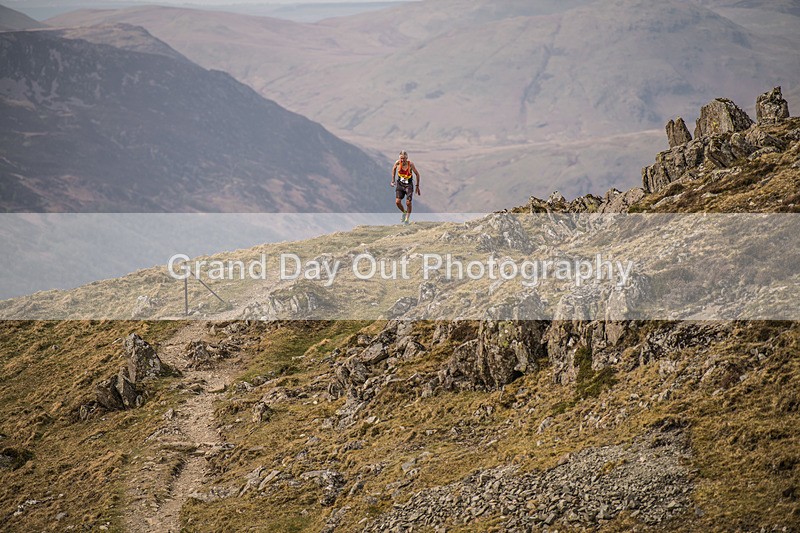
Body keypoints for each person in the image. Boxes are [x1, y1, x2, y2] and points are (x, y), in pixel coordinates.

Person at [391, 150, 420, 224]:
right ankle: (404, 212)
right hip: (400, 184)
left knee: (408, 203)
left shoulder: (410, 164)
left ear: (406, 158)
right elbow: (394, 169)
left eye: (404, 158)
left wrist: (417, 186)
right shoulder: (397, 163)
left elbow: (417, 174)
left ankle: (407, 219)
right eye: (401, 158)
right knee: (397, 202)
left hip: (408, 185)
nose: (402, 160)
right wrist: (393, 180)